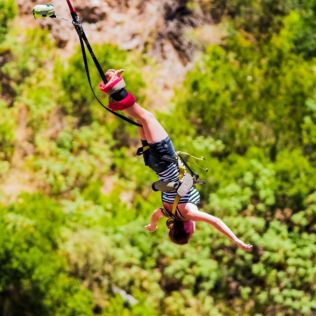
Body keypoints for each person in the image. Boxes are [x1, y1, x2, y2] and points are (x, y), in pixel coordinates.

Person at [99, 69, 253, 252]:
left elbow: (216, 222)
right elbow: (155, 215)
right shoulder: (167, 212)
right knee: (141, 119)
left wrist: (237, 241)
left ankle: (116, 87)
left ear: (188, 228)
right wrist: (153, 225)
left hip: (166, 158)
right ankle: (115, 91)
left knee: (146, 117)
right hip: (154, 162)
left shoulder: (189, 213)